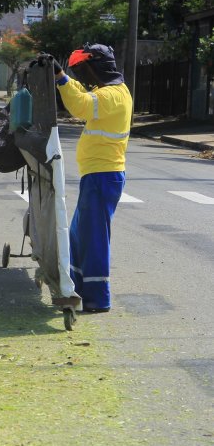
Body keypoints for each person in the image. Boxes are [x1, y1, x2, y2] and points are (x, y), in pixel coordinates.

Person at [47, 43, 132, 313]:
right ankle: (79, 289)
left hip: (103, 176)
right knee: (80, 235)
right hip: (98, 176)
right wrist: (63, 77)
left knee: (93, 238)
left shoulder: (112, 96)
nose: (85, 78)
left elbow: (81, 106)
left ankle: (97, 299)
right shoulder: (112, 92)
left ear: (97, 68)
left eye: (85, 71)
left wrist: (61, 78)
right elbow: (84, 96)